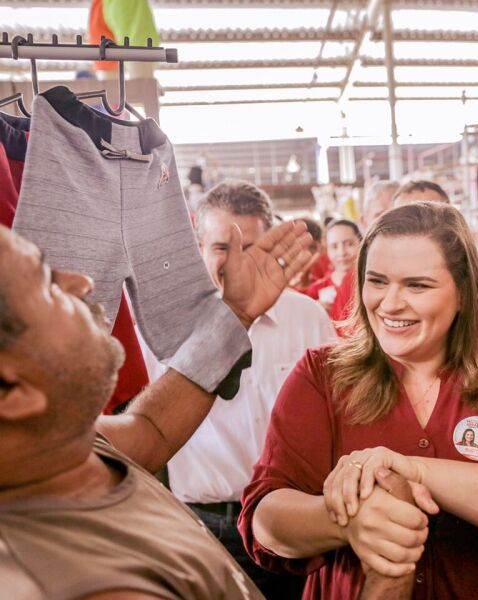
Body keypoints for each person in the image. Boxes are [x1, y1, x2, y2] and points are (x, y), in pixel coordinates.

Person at [239, 202, 478, 599]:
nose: (390, 303)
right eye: (378, 281)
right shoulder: (321, 374)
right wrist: (348, 523)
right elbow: (266, 519)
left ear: (464, 293)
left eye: (417, 285)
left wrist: (409, 468)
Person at [0, 220, 312, 598]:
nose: (80, 284)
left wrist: (236, 313)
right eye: (48, 287)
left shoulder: (57, 450)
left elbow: (151, 428)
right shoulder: (94, 586)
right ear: (11, 389)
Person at [158, 180, 337, 599]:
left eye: (252, 247)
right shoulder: (163, 326)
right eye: (222, 247)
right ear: (197, 246)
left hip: (297, 525)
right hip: (206, 528)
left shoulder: (308, 317)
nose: (237, 261)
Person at [305, 219, 361, 322]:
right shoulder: (316, 290)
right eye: (334, 247)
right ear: (327, 250)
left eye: (349, 244)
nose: (342, 253)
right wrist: (315, 310)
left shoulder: (370, 283)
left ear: (361, 243)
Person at [291, 217, 332, 294]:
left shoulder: (325, 264)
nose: (305, 252)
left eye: (312, 247)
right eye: (300, 244)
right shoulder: (279, 268)